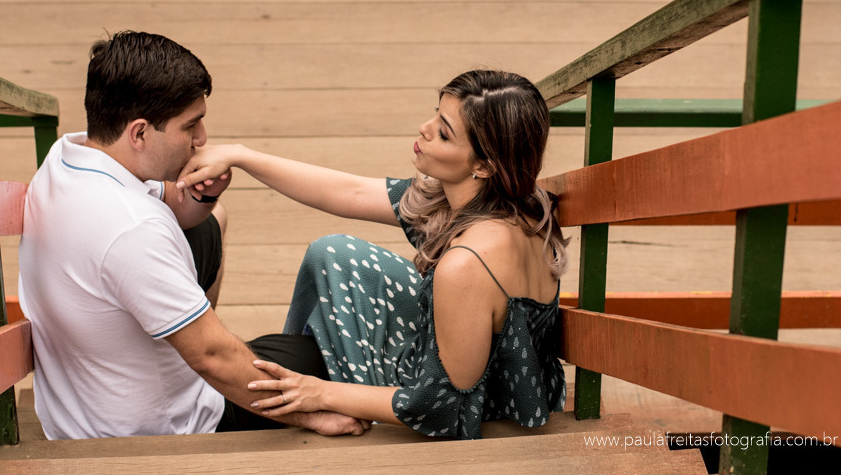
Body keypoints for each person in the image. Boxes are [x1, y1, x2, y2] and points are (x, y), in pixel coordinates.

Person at [177, 69, 569, 440]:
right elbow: (350, 193)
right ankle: (297, 365)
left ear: (483, 165)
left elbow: (443, 407)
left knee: (317, 373)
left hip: (478, 410)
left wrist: (320, 393)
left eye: (445, 134)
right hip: (479, 357)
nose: (425, 129)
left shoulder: (467, 264)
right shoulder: (510, 201)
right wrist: (243, 156)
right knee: (331, 254)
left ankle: (296, 394)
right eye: (436, 115)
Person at [17, 30, 367, 440]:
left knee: (209, 221)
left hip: (84, 405)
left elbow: (180, 209)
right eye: (190, 126)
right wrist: (312, 415)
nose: (202, 139)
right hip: (158, 429)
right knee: (334, 361)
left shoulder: (70, 157)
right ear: (140, 133)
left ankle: (190, 319)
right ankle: (195, 324)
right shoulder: (132, 229)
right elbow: (212, 357)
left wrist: (207, 193)